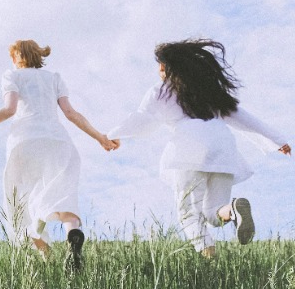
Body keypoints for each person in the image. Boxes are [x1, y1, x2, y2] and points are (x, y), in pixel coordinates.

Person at [108, 39, 290, 258]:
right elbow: (243, 118)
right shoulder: (210, 91)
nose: (160, 74)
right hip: (223, 148)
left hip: (190, 149)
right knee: (214, 214)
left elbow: (143, 118)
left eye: (162, 69)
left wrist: (113, 135)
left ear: (173, 69)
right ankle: (232, 210)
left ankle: (209, 263)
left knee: (188, 213)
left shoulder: (162, 91)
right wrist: (277, 140)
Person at [0, 39, 116, 267]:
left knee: (22, 202)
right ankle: (72, 232)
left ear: (17, 57)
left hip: (25, 142)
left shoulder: (12, 76)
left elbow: (9, 109)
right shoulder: (54, 78)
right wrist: (100, 137)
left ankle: (46, 256)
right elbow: (71, 113)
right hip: (58, 141)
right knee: (63, 194)